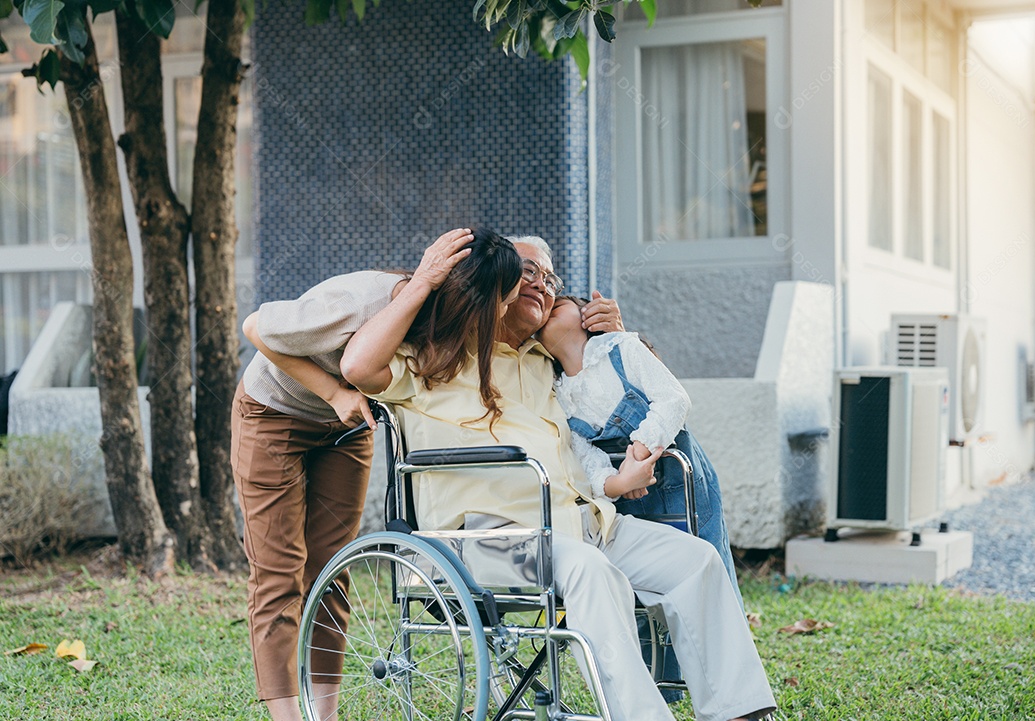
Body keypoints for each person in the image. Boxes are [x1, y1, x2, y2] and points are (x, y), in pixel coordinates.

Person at [341, 231, 777, 721]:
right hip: (490, 541)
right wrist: (424, 281)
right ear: (495, 286)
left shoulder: (545, 361)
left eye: (550, 278)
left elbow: (638, 394)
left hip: (584, 523)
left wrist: (615, 334)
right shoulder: (434, 359)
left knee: (695, 562)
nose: (542, 284)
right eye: (527, 271)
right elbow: (357, 365)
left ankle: (739, 712)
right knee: (589, 571)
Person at [231, 229, 621, 721]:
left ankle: (323, 713)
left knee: (331, 568)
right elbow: (257, 331)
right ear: (471, 300)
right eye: (500, 305)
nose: (502, 316)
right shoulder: (362, 299)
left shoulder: (454, 317)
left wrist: (602, 326)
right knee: (279, 572)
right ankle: (288, 717)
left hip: (351, 424)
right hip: (276, 412)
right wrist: (334, 394)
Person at [537, 295, 743, 607]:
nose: (549, 310)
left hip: (676, 479)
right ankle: (652, 656)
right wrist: (618, 482)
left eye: (558, 304)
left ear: (587, 316)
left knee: (704, 563)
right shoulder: (558, 396)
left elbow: (674, 400)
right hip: (625, 499)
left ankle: (719, 640)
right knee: (643, 590)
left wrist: (639, 453)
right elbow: (584, 459)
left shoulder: (622, 349)